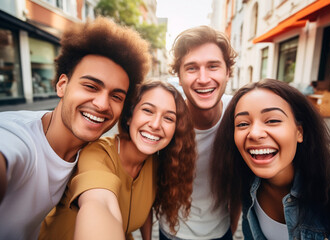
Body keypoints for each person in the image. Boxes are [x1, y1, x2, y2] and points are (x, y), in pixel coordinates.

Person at [0, 17, 151, 239]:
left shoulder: (93, 152)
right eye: (91, 86)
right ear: (62, 85)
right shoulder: (15, 138)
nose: (101, 104)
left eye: (116, 96)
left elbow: (100, 202)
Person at [39, 80, 196, 240]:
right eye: (148, 110)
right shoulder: (97, 154)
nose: (156, 125)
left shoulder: (154, 162)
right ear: (129, 116)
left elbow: (145, 205)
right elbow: (101, 203)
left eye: (168, 118)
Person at [211, 78, 330, 239]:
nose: (254, 133)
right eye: (242, 124)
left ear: (299, 132)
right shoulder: (246, 183)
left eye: (272, 120)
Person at [159, 25, 238, 240]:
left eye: (213, 66)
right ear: (179, 76)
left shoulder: (240, 116)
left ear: (228, 72)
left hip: (222, 232)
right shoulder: (164, 120)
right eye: (192, 68)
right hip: (172, 233)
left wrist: (233, 225)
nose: (203, 79)